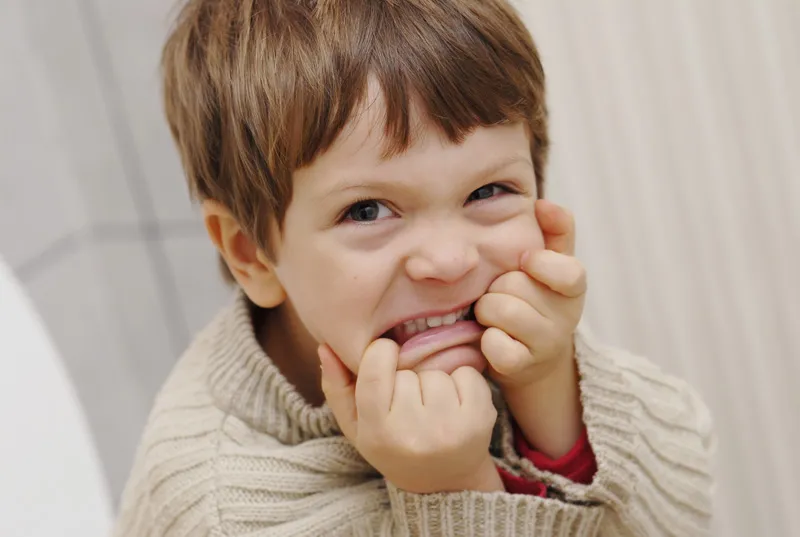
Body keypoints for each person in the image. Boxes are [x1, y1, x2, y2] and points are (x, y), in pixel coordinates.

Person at [113, 0, 715, 535]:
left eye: (488, 191)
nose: (450, 261)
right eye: (368, 210)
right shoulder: (217, 508)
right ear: (251, 254)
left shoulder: (469, 334)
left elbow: (685, 495)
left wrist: (549, 391)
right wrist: (453, 487)